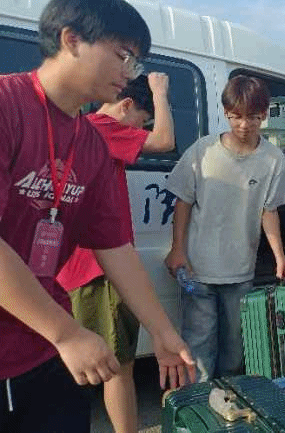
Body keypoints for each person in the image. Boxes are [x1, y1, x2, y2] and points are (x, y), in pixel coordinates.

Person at [0, 0, 194, 432]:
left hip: (43, 348)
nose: (130, 72)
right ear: (71, 39)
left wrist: (162, 332)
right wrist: (68, 333)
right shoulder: (7, 106)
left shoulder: (90, 142)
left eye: (136, 62)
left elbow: (114, 247)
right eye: (123, 56)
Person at [55, 73, 175, 433]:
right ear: (125, 105)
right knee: (118, 367)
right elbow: (165, 141)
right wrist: (160, 93)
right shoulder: (104, 127)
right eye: (142, 119)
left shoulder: (80, 129)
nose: (141, 129)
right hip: (100, 269)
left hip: (77, 265)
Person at [164, 74, 285, 382]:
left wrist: (279, 256)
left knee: (236, 351)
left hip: (240, 270)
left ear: (264, 115)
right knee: (198, 346)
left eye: (253, 117)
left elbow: (269, 211)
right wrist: (177, 249)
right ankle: (199, 403)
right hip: (198, 269)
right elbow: (183, 202)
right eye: (236, 116)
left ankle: (227, 400)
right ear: (226, 113)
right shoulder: (203, 150)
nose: (244, 125)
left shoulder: (273, 159)